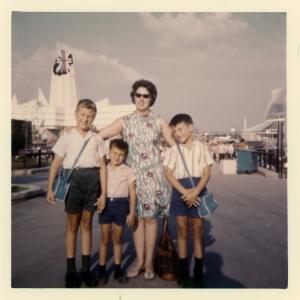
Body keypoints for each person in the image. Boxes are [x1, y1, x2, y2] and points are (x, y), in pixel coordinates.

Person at [99, 79, 174, 280]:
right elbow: (100, 135)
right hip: (131, 178)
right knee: (136, 220)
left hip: (153, 176)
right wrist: (77, 133)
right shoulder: (124, 121)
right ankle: (139, 260)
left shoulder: (159, 120)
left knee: (150, 220)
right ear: (133, 97)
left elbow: (174, 143)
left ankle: (149, 261)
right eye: (138, 95)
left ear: (152, 98)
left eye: (146, 96)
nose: (141, 99)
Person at [47, 99, 107, 288]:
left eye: (89, 116)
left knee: (87, 224)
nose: (85, 119)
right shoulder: (66, 136)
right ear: (76, 114)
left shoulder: (97, 138)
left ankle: (86, 270)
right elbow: (56, 163)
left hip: (92, 181)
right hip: (74, 181)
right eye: (82, 115)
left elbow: (103, 168)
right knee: (72, 225)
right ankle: (71, 271)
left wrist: (103, 193)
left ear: (94, 118)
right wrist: (49, 188)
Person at [164, 113, 214, 287]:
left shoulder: (202, 147)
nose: (178, 134)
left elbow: (207, 173)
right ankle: (183, 270)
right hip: (180, 191)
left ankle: (198, 271)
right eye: (175, 132)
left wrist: (196, 192)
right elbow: (168, 174)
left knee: (198, 233)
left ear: (190, 127)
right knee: (182, 231)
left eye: (180, 129)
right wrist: (185, 192)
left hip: (197, 189)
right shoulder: (172, 150)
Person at [98, 139, 137, 285]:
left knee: (118, 239)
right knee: (104, 238)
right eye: (114, 153)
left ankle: (118, 269)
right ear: (109, 152)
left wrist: (132, 212)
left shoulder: (128, 170)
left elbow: (132, 192)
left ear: (125, 156)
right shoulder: (103, 168)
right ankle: (102, 270)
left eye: (121, 155)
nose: (117, 157)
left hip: (121, 205)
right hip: (106, 204)